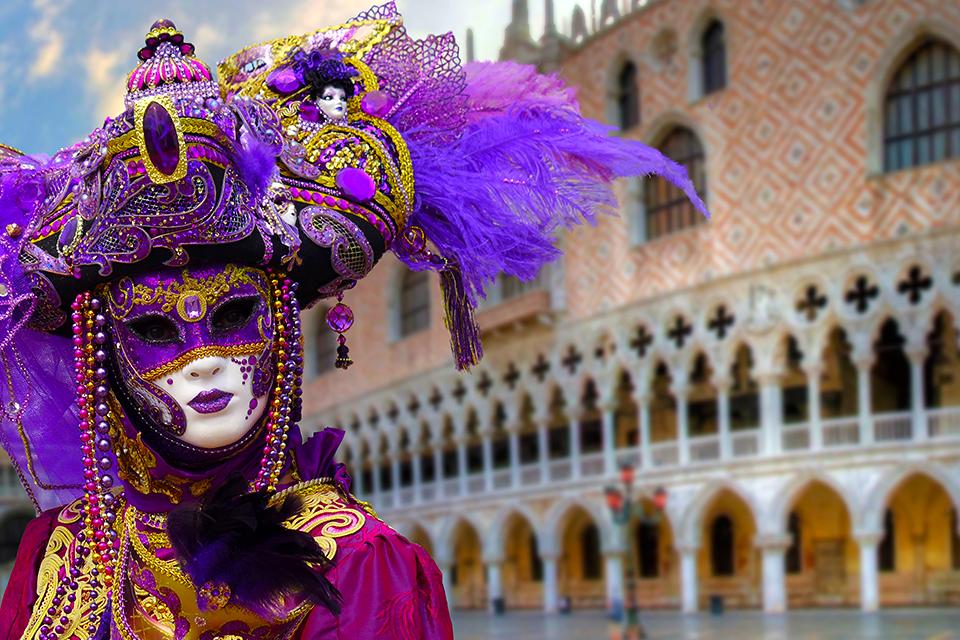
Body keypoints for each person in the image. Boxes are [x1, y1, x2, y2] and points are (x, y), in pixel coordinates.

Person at [0, 4, 706, 638]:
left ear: (281, 324)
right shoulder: (59, 554)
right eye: (154, 330)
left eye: (235, 315)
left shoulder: (361, 563)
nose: (204, 358)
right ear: (101, 350)